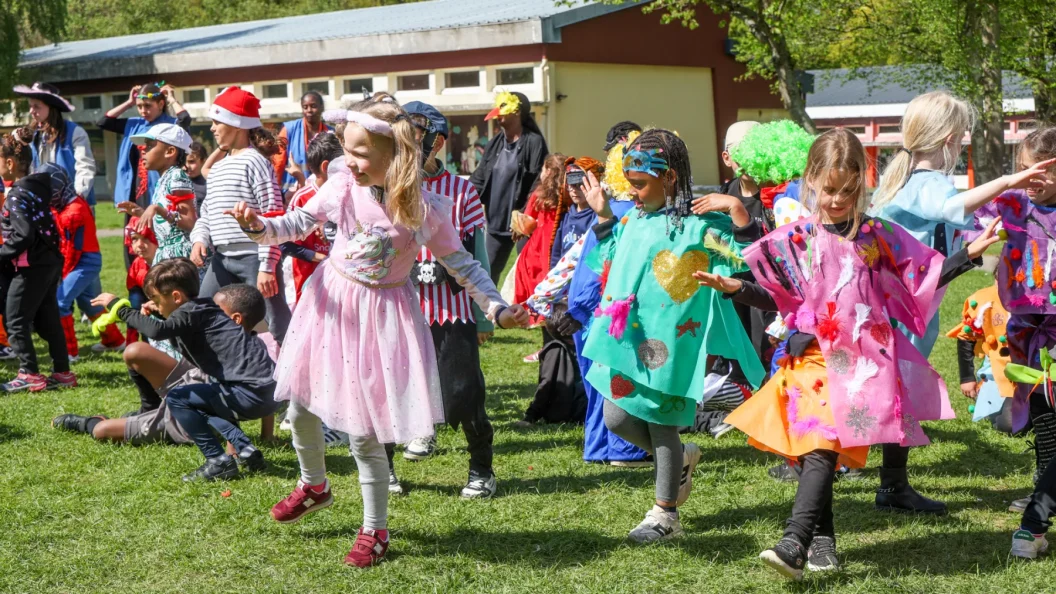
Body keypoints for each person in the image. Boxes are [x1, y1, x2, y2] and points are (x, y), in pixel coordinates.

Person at [227, 94, 529, 568]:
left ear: (397, 154)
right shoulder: (343, 186)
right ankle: (314, 485)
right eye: (348, 150)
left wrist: (496, 306)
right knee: (302, 405)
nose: (350, 160)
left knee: (364, 431)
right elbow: (297, 223)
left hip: (381, 319)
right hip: (330, 307)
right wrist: (258, 227)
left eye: (361, 152)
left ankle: (375, 530)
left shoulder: (423, 209)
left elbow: (463, 263)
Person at [697, 128, 1004, 579]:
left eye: (846, 190)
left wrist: (970, 255)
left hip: (858, 364)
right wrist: (737, 287)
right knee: (809, 449)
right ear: (811, 182)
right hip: (807, 358)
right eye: (827, 190)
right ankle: (821, 540)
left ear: (860, 182)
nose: (836, 199)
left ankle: (793, 542)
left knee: (822, 448)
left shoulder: (877, 236)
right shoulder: (797, 237)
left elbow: (921, 278)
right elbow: (780, 295)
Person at [870, 90, 1056, 515]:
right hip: (906, 307)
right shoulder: (926, 182)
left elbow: (961, 233)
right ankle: (874, 478)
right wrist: (1009, 182)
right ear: (951, 137)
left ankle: (889, 483)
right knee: (895, 393)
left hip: (915, 306)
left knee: (900, 392)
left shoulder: (908, 179)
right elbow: (954, 209)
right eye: (965, 130)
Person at [580, 128, 766, 543]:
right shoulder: (635, 216)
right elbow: (609, 258)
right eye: (630, 184)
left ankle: (666, 516)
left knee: (661, 421)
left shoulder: (700, 225)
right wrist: (604, 216)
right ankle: (681, 459)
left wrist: (737, 209)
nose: (634, 192)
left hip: (675, 341)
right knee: (617, 417)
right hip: (630, 338)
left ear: (669, 179)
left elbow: (750, 260)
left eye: (641, 184)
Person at [953, 127, 1056, 559]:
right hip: (1028, 338)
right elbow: (963, 219)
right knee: (1047, 423)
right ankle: (1036, 517)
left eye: (1042, 170)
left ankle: (1034, 520)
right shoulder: (1012, 205)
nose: (1030, 177)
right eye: (1022, 168)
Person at [393, 100, 501, 498]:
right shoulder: (385, 188)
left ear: (435, 144)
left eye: (418, 139)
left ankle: (481, 469)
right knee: (397, 388)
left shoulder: (461, 190)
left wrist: (485, 316)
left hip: (451, 308)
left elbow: (477, 253)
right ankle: (387, 467)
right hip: (400, 307)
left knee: (463, 392)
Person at [526, 125, 649, 466]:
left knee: (605, 382)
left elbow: (588, 263)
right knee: (608, 381)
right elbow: (591, 263)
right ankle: (615, 448)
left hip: (598, 313)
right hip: (595, 313)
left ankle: (611, 448)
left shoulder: (621, 213)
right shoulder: (621, 213)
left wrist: (547, 299)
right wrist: (559, 303)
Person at [90, 259, 278, 481]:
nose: (155, 305)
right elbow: (176, 325)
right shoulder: (206, 309)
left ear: (177, 297)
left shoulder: (191, 313)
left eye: (157, 300)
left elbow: (158, 332)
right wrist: (162, 311)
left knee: (178, 398)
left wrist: (120, 308)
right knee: (203, 396)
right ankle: (243, 447)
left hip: (248, 397)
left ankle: (218, 462)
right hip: (270, 397)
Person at [53, 284, 272, 466]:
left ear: (235, 319)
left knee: (102, 431)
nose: (205, 310)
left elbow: (250, 391)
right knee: (135, 351)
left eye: (215, 309)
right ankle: (148, 409)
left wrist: (240, 446)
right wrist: (161, 310)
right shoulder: (215, 335)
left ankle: (88, 423)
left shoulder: (245, 352)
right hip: (189, 384)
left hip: (185, 417)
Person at [189, 87, 292, 344]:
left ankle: (295, 374)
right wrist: (200, 238)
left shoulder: (256, 162)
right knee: (202, 313)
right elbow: (207, 212)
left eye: (217, 122)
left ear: (236, 124)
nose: (212, 128)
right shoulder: (219, 167)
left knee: (277, 324)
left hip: (255, 258)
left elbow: (273, 213)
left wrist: (267, 266)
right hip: (221, 259)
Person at [515, 156, 603, 426]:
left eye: (581, 182)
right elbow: (556, 260)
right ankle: (546, 408)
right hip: (562, 298)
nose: (575, 189)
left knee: (583, 358)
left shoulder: (598, 216)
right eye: (571, 183)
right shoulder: (566, 217)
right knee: (552, 350)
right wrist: (554, 296)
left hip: (587, 301)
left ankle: (580, 409)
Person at [0, 130, 76, 392]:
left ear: (10, 163)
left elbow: (23, 234)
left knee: (15, 319)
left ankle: (29, 373)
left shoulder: (16, 194)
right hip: (48, 260)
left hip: (31, 264)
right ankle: (63, 372)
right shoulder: (35, 190)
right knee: (48, 317)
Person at [100, 83, 190, 268]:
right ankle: (136, 284)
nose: (143, 110)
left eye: (148, 105)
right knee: (134, 240)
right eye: (140, 106)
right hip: (134, 193)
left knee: (154, 239)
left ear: (160, 104)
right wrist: (129, 102)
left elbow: (185, 119)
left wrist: (172, 98)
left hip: (154, 192)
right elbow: (104, 121)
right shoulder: (134, 124)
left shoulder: (168, 125)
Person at [470, 90, 548, 284]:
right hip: (496, 222)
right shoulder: (494, 143)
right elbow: (480, 177)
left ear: (517, 112)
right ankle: (487, 313)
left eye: (503, 108)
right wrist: (461, 197)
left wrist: (523, 215)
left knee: (528, 273)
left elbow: (539, 181)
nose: (498, 114)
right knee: (486, 274)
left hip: (523, 223)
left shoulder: (533, 142)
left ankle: (527, 312)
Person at [48, 163, 124, 361]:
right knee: (90, 303)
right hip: (84, 260)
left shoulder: (73, 211)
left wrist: (62, 274)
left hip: (83, 262)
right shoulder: (69, 203)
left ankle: (69, 352)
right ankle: (114, 341)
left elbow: (72, 249)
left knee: (60, 301)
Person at [118, 123, 195, 264]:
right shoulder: (164, 179)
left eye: (149, 146)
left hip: (181, 259)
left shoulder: (177, 176)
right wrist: (142, 214)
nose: (143, 150)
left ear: (170, 151)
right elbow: (168, 228)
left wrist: (157, 209)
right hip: (169, 256)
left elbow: (190, 222)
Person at [280, 132, 342, 304]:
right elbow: (284, 244)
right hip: (304, 279)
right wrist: (321, 258)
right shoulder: (302, 197)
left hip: (339, 279)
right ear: (326, 167)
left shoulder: (347, 194)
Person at [12, 82, 97, 207]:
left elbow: (85, 167)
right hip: (42, 203)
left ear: (51, 107)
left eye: (37, 106)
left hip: (73, 205)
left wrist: (77, 197)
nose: (31, 111)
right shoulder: (32, 135)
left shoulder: (75, 132)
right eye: (30, 106)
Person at [513, 153, 568, 335]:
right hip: (558, 244)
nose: (541, 173)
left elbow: (528, 223)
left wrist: (517, 221)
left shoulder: (539, 194)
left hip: (539, 246)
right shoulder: (567, 194)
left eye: (544, 169)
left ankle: (536, 313)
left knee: (536, 279)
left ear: (550, 170)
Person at [272, 91, 332, 198]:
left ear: (321, 107)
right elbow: (278, 162)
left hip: (321, 192)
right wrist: (275, 192)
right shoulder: (289, 129)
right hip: (292, 193)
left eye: (313, 106)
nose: (309, 110)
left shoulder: (331, 133)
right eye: (305, 107)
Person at [185, 141, 209, 214]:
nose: (186, 166)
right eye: (184, 162)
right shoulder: (178, 182)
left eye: (191, 162)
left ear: (203, 161)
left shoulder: (208, 184)